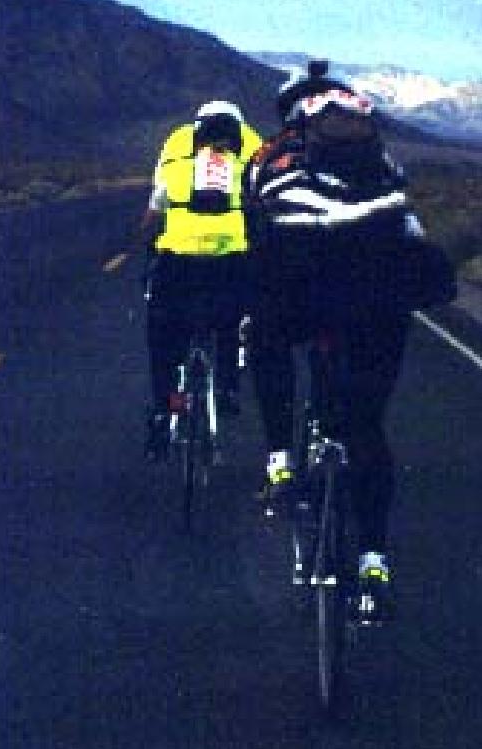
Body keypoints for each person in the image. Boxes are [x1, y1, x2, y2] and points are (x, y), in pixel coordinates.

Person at [245, 61, 456, 621]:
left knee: (263, 334)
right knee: (364, 426)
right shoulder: (382, 156)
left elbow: (257, 235)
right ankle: (373, 565)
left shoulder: (271, 155)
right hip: (379, 298)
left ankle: (280, 462)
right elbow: (408, 227)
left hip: (304, 291)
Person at [141, 100, 263, 460]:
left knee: (162, 337)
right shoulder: (248, 164)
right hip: (231, 266)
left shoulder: (177, 165)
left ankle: (163, 412)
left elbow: (152, 216)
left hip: (177, 265)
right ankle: (227, 389)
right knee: (232, 323)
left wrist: (147, 248)